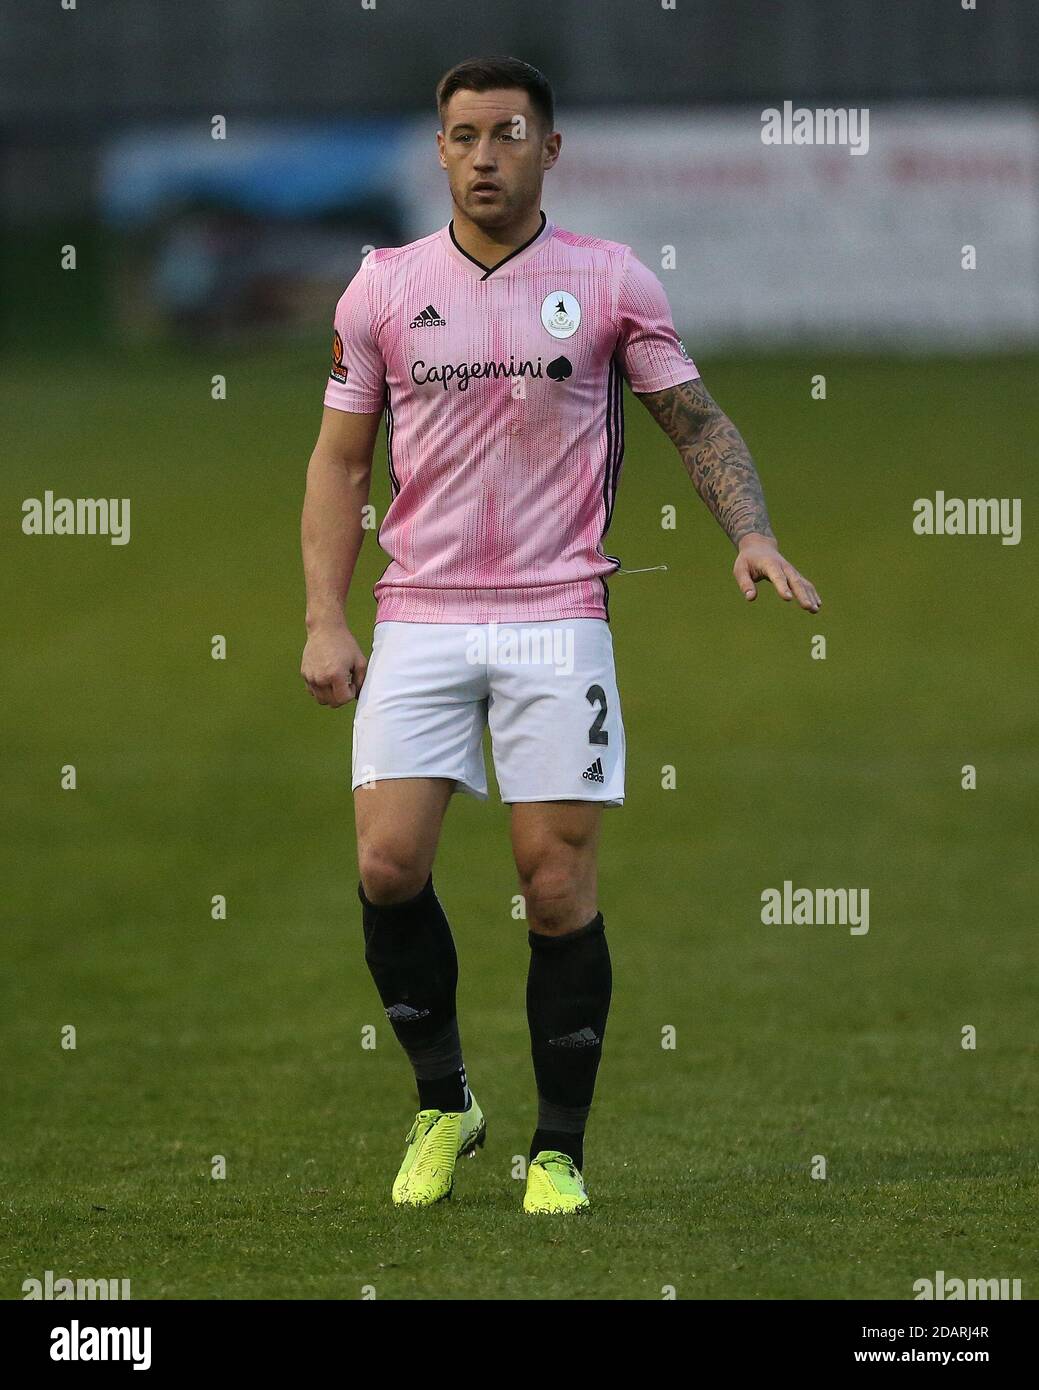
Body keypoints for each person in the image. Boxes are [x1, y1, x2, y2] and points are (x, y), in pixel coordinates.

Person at [300, 56, 821, 1215]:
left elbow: (694, 421)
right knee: (388, 868)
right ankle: (444, 1101)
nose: (484, 155)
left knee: (554, 885)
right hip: (419, 616)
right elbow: (339, 465)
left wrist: (752, 532)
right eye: (463, 135)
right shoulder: (382, 286)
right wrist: (324, 617)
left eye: (508, 133)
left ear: (549, 147)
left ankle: (559, 1150)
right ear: (438, 150)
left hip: (556, 619)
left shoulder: (608, 280)